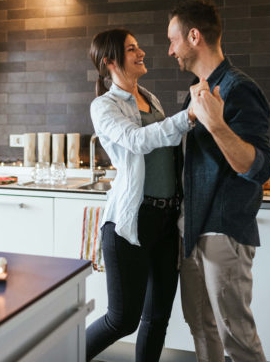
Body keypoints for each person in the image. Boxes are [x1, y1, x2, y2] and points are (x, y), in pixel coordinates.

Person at [167, 0, 270, 361]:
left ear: (194, 36)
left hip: (224, 231)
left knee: (237, 339)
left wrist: (216, 124)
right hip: (193, 230)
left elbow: (259, 168)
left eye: (173, 40)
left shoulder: (237, 88)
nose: (170, 51)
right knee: (201, 328)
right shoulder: (194, 92)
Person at [86, 28, 196, 361]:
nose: (142, 52)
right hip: (132, 222)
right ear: (110, 62)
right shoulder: (103, 107)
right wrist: (188, 116)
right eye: (131, 49)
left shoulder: (151, 98)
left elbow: (170, 148)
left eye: (138, 46)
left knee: (157, 318)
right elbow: (137, 140)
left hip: (166, 219)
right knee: (122, 320)